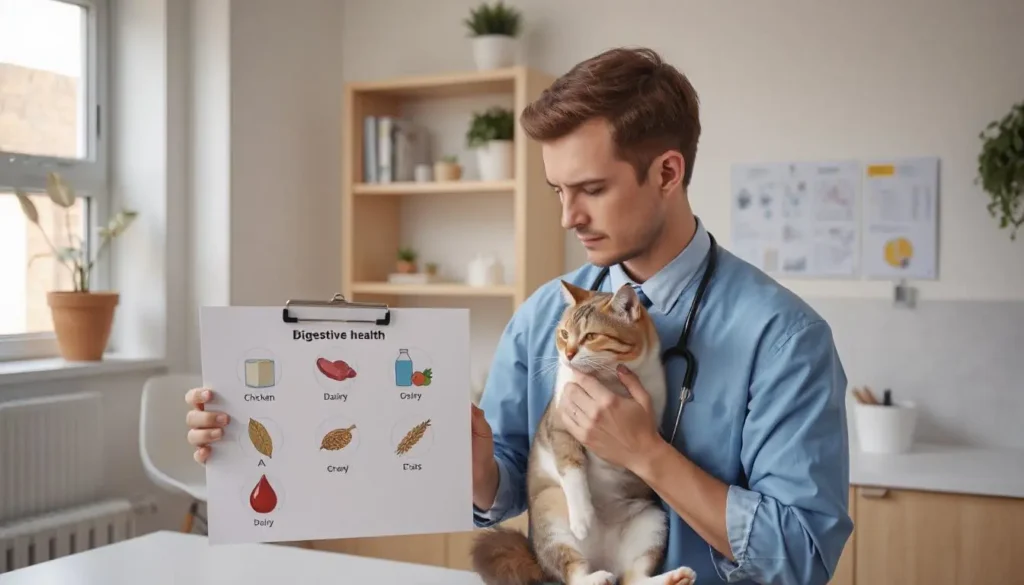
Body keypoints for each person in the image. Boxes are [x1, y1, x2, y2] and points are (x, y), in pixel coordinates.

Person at [185, 46, 852, 584]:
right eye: (558, 190)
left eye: (591, 189)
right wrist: (251, 432)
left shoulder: (783, 338)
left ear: (668, 172)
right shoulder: (545, 316)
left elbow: (801, 556)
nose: (568, 217)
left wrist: (647, 453)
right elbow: (504, 487)